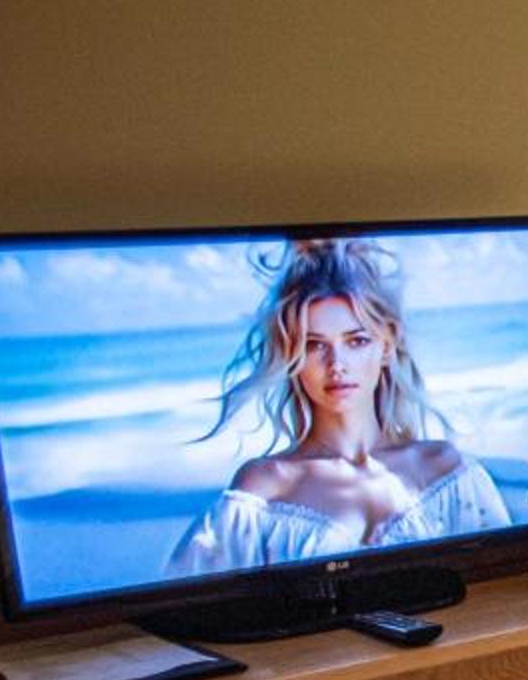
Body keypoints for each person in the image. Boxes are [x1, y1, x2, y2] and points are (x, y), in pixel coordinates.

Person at [166, 237, 510, 573]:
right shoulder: (264, 487)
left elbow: (502, 582)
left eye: (356, 341)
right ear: (291, 357)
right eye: (315, 345)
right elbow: (189, 596)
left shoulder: (446, 471)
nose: (336, 365)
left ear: (387, 344)